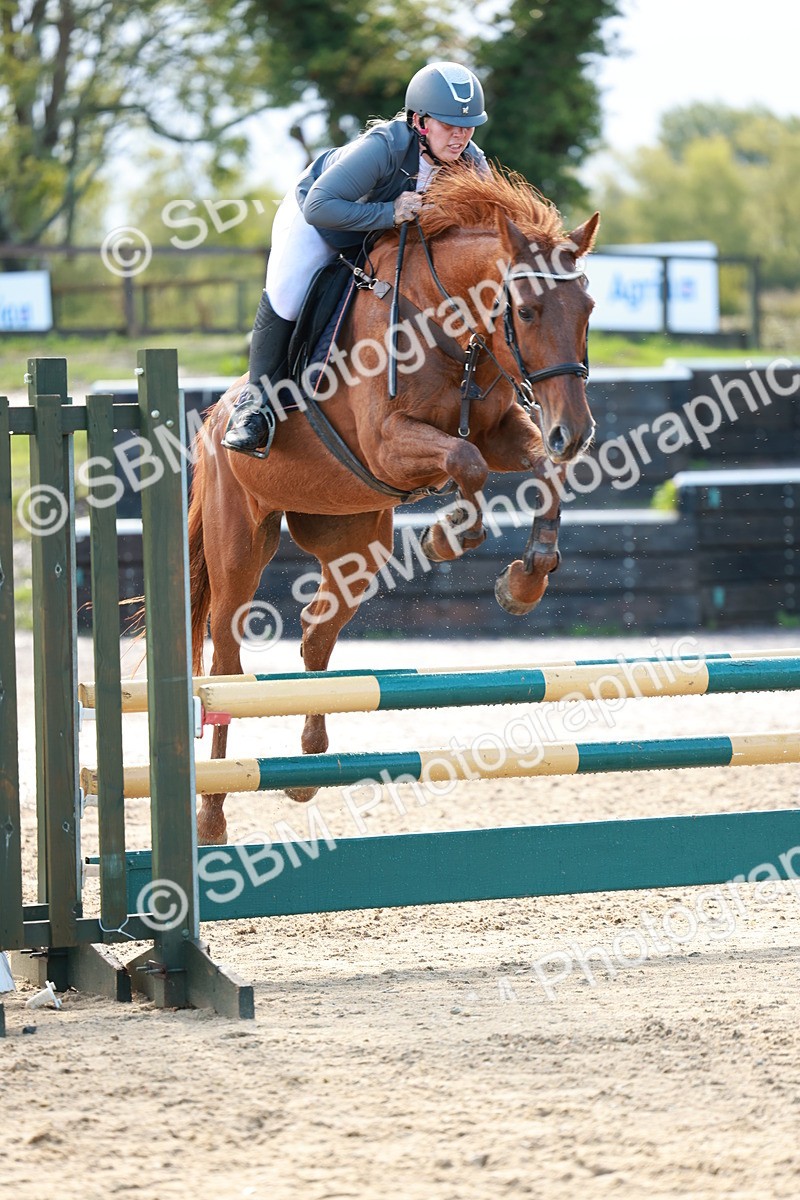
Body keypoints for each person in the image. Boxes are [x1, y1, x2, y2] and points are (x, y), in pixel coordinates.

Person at [222, 61, 489, 458]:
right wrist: (388, 213)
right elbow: (320, 207)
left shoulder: (471, 161)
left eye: (467, 126)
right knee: (289, 293)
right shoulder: (382, 147)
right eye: (449, 125)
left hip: (382, 230)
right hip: (319, 218)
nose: (460, 136)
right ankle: (255, 407)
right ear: (419, 121)